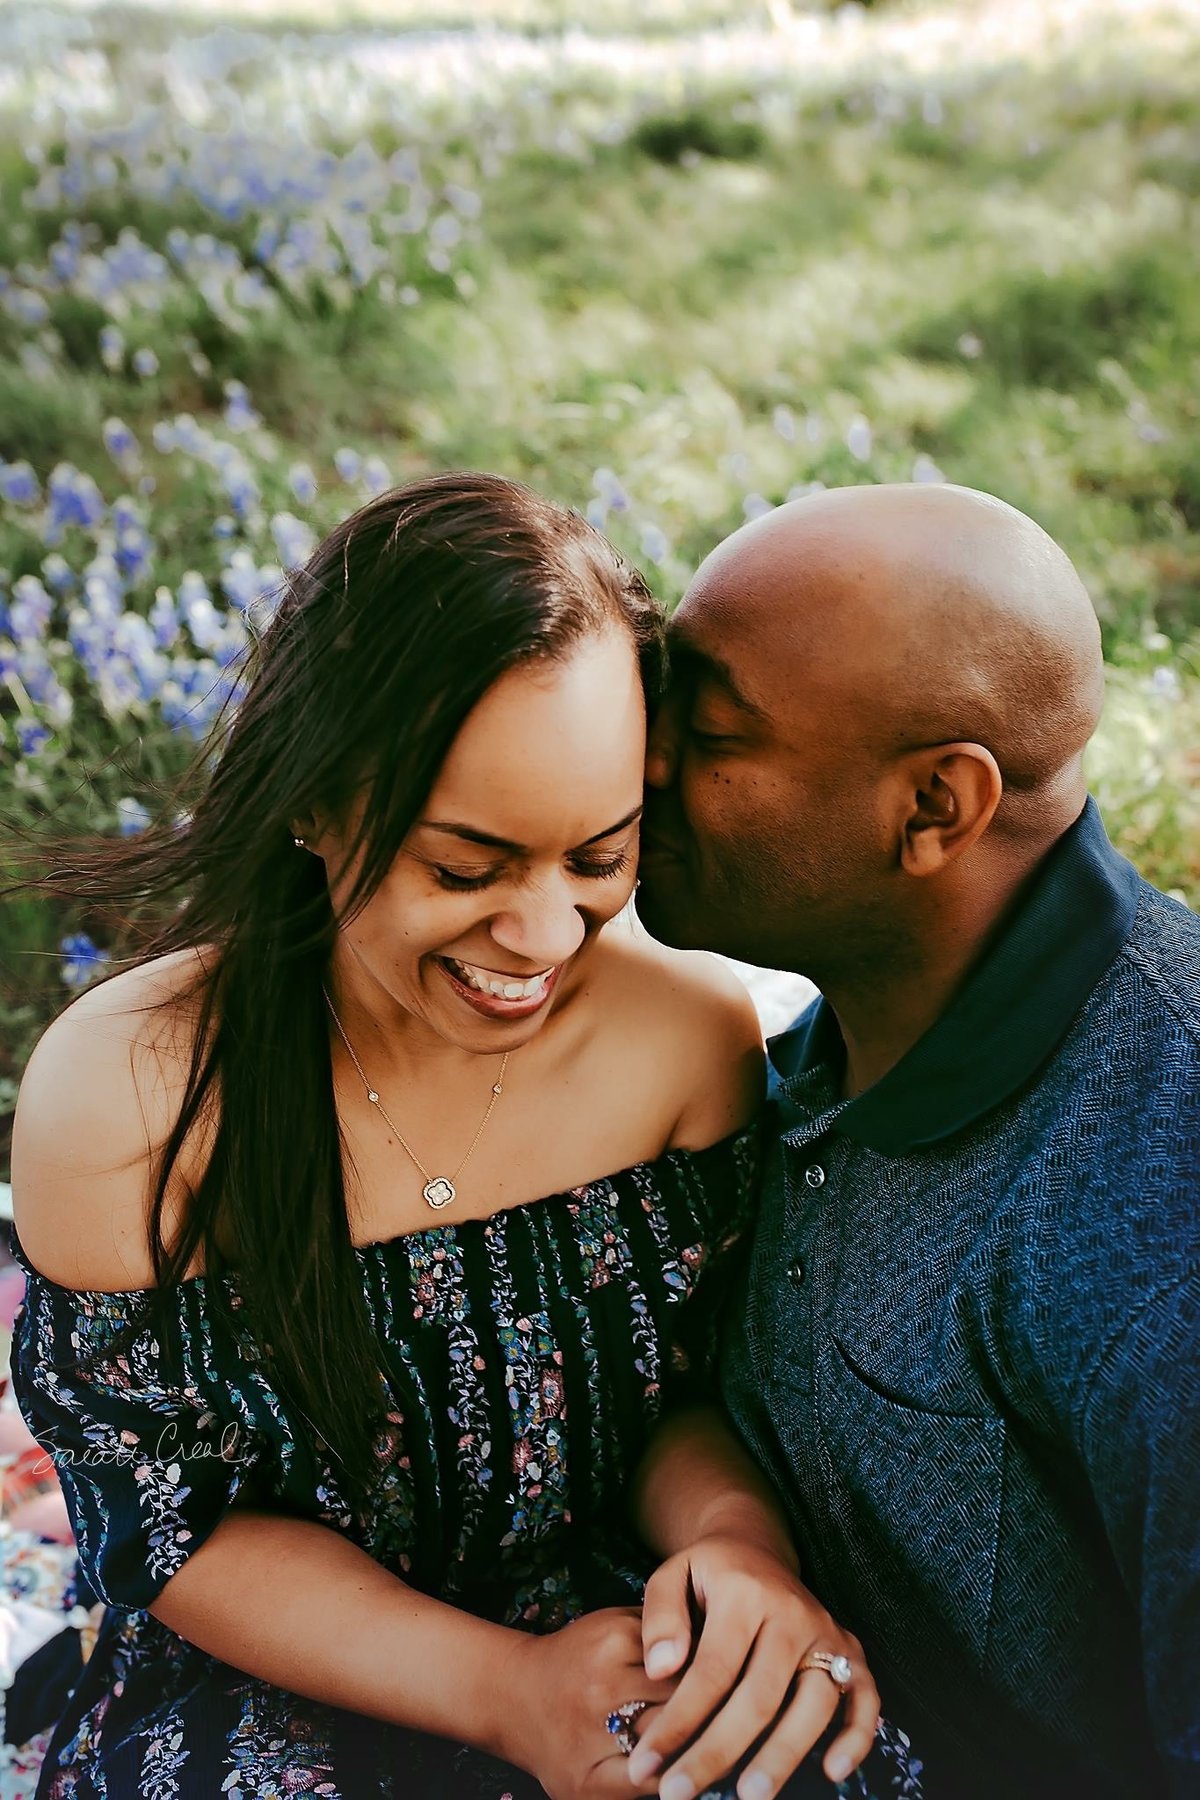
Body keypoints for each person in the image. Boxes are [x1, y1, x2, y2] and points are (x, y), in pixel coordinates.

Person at [6, 473, 920, 1800]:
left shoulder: (689, 1036)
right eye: (465, 869)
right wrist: (504, 1695)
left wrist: (736, 1551)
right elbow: (174, 1532)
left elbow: (688, 1397)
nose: (543, 938)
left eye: (599, 859)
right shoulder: (136, 1090)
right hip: (269, 1660)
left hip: (604, 1610)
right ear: (315, 805)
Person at [634, 480, 1200, 1800]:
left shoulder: (1153, 1208)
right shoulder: (823, 1027)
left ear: (935, 808)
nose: (644, 761)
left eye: (711, 734)